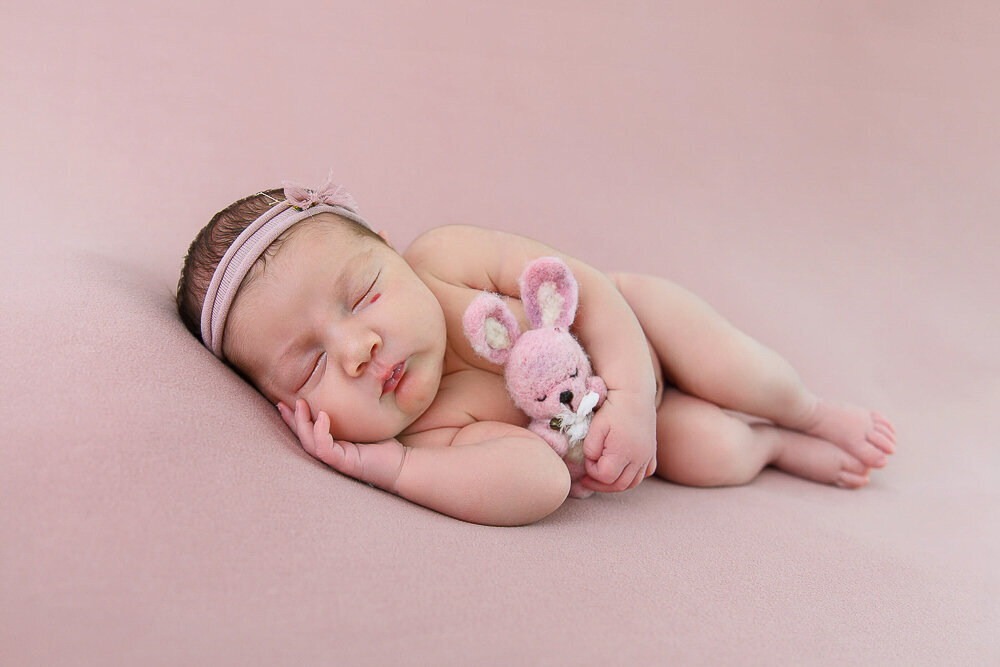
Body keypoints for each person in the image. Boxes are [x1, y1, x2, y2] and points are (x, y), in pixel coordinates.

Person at [176, 173, 896, 526]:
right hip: (619, 445)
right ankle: (772, 447)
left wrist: (634, 395)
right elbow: (542, 483)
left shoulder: (446, 258)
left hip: (632, 335)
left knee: (737, 367)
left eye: (363, 293)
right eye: (311, 364)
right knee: (708, 451)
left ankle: (804, 410)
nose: (359, 349)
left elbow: (581, 282)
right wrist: (388, 466)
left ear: (391, 251)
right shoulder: (428, 435)